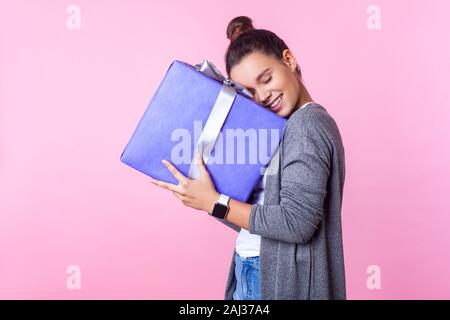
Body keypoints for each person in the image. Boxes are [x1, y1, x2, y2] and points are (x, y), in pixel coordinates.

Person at [150, 16, 346, 300]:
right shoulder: (283, 128)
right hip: (251, 267)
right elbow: (258, 217)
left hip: (272, 280)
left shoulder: (307, 126)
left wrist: (215, 203)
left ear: (289, 60)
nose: (264, 95)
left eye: (266, 79)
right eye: (250, 92)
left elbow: (296, 223)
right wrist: (205, 198)